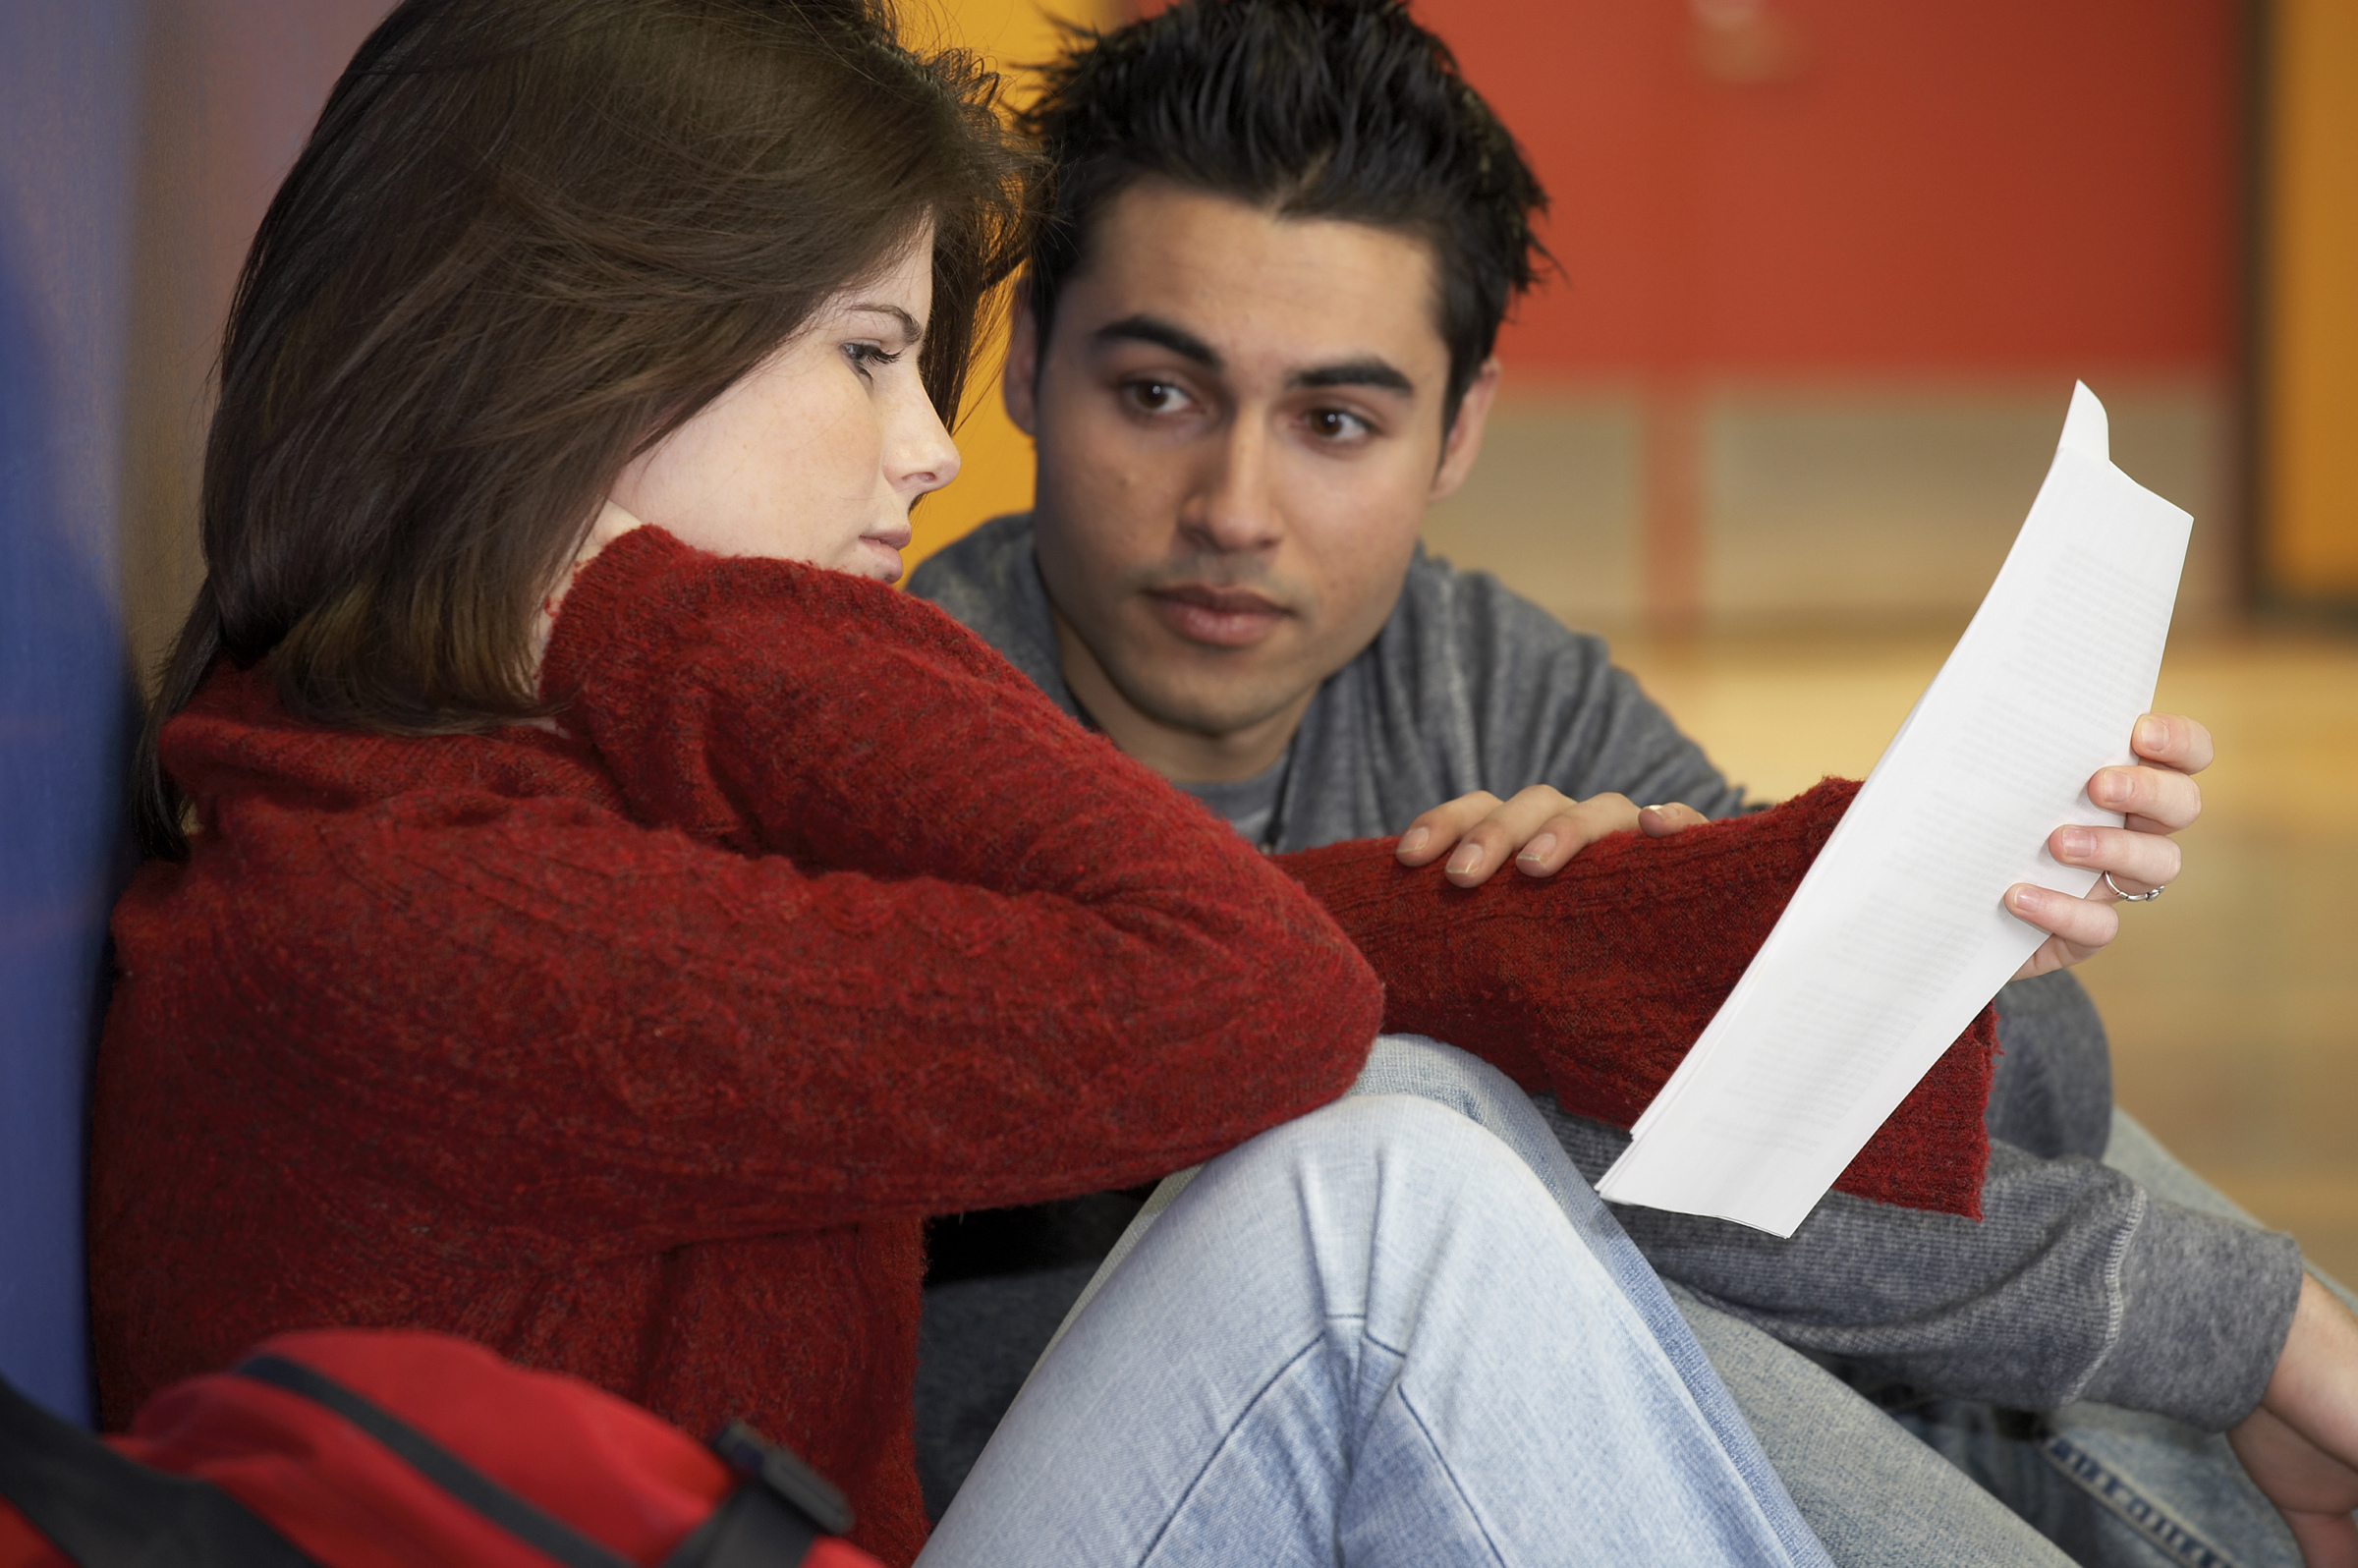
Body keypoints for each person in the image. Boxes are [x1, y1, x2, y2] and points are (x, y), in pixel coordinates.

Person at [84, 1, 1878, 1564]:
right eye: (869, 354)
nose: (934, 452)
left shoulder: (522, 797)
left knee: (1424, 1108)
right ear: (582, 353)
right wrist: (673, 615)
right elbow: (1250, 984)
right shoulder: (422, 913)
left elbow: (1252, 960)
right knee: (1384, 1209)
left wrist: (1703, 905)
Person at [905, 1, 2358, 1563]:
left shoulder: (1486, 675)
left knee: (1837, 1193)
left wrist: (1962, 943)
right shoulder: (910, 734)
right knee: (1445, 1114)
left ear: (1457, 432)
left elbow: (2040, 1126)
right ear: (1026, 361)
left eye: (1334, 420)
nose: (1235, 508)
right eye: (1158, 395)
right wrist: (1590, 997)